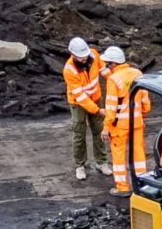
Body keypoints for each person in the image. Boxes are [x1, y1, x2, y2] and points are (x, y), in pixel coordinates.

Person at [102, 46, 147, 194]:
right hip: (137, 122)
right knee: (139, 155)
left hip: (119, 125)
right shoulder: (138, 73)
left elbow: (111, 107)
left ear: (113, 64)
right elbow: (146, 102)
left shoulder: (113, 80)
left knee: (119, 156)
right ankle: (142, 186)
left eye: (107, 63)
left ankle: (122, 187)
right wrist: (141, 115)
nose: (106, 66)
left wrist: (106, 127)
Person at [62, 37, 107, 179]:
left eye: (85, 56)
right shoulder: (69, 70)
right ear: (73, 55)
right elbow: (80, 96)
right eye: (81, 57)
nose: (84, 59)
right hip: (78, 103)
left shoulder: (93, 54)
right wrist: (97, 110)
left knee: (99, 130)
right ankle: (80, 165)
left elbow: (104, 70)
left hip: (95, 97)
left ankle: (101, 162)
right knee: (79, 133)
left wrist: (116, 80)